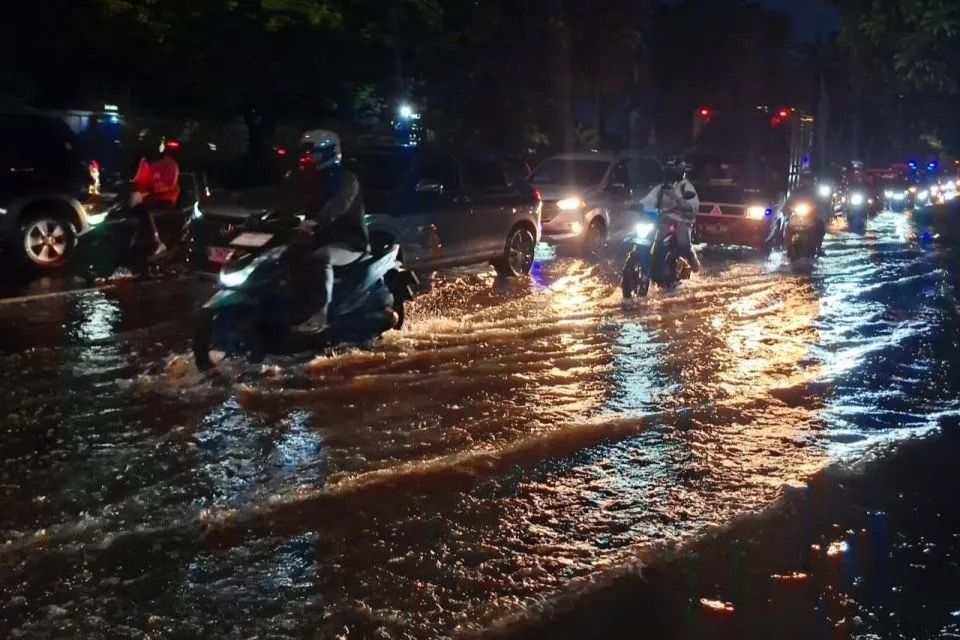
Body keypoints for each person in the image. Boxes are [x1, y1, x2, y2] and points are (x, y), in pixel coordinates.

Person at [277, 129, 369, 332]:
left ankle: (319, 317)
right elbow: (287, 203)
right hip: (317, 237)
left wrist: (316, 222)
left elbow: (338, 206)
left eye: (312, 152)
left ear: (329, 152)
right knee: (281, 257)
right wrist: (267, 218)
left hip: (348, 242)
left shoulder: (346, 179)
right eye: (304, 152)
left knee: (320, 258)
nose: (306, 157)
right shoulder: (303, 179)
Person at [637, 159, 701, 273]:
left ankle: (692, 260)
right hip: (661, 219)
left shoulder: (686, 187)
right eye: (668, 172)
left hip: (681, 220)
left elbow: (693, 204)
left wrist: (685, 206)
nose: (670, 176)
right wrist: (638, 205)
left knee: (683, 245)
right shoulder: (661, 188)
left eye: (673, 173)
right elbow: (649, 199)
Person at [131, 139, 181, 255]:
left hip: (164, 201)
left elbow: (169, 184)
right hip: (144, 201)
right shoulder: (146, 164)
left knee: (145, 212)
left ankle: (156, 243)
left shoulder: (170, 164)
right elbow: (138, 181)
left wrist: (151, 190)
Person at [788, 170, 827, 254]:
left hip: (812, 216)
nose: (808, 181)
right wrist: (787, 209)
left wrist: (819, 211)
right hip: (797, 216)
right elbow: (789, 202)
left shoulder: (816, 192)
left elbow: (822, 204)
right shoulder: (796, 191)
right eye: (806, 179)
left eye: (810, 179)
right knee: (788, 226)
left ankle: (819, 247)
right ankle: (787, 245)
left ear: (813, 181)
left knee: (820, 224)